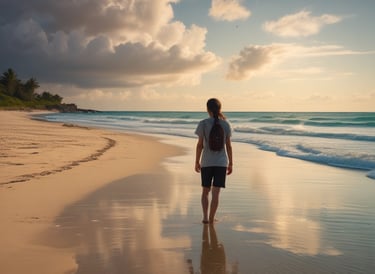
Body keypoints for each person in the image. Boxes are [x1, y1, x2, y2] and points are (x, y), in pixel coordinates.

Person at [195, 98, 233, 224]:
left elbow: (200, 145)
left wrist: (197, 161)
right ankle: (212, 218)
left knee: (205, 191)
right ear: (220, 109)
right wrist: (231, 163)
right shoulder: (226, 124)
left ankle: (205, 218)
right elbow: (228, 146)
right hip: (221, 163)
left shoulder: (203, 123)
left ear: (207, 109)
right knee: (216, 193)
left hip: (206, 162)